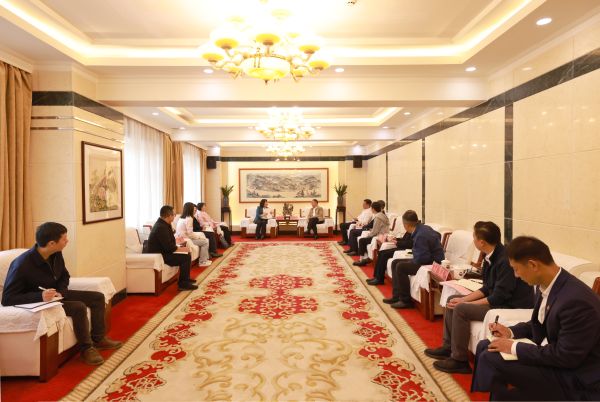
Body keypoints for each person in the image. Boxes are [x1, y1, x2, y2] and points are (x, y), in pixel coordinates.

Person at [471, 236, 600, 401]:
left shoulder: (576, 301)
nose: (516, 275)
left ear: (533, 265)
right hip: (562, 362)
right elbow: (537, 324)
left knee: (492, 358)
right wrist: (510, 332)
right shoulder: (549, 284)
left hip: (577, 378)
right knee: (485, 346)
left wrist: (514, 347)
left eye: (516, 269)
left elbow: (566, 357)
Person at [1, 222, 122, 365]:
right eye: (64, 238)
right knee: (78, 307)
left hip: (57, 295)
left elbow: (64, 276)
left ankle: (99, 339)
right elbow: (7, 298)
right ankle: (86, 349)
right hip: (40, 302)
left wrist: (61, 291)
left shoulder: (56, 253)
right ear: (52, 243)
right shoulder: (22, 264)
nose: (67, 241)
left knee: (97, 297)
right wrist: (40, 296)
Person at [424, 221, 534, 374]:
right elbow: (487, 287)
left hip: (509, 305)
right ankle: (448, 347)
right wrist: (462, 299)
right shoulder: (490, 256)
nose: (473, 240)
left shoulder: (504, 261)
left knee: (461, 309)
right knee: (453, 300)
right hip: (498, 299)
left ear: (481, 242)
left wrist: (467, 304)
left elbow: (498, 297)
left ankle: (459, 360)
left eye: (474, 237)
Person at [384, 210, 445, 309]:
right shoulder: (423, 228)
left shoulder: (420, 235)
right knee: (395, 262)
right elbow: (438, 235)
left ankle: (405, 301)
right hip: (428, 259)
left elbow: (423, 259)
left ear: (406, 225)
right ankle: (397, 296)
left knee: (401, 267)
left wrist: (411, 261)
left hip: (432, 263)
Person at [147, 205, 199, 291]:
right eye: (174, 215)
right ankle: (183, 284)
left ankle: (185, 279)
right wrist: (181, 249)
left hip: (164, 252)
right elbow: (169, 247)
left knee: (187, 254)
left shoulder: (164, 224)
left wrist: (180, 247)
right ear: (169, 216)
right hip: (159, 256)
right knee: (185, 257)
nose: (175, 217)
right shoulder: (161, 227)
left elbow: (170, 242)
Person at [353, 201, 389, 266]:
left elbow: (375, 231)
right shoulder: (382, 215)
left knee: (362, 240)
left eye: (371, 208)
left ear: (373, 209)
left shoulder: (378, 217)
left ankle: (362, 260)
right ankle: (365, 258)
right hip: (383, 235)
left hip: (380, 237)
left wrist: (368, 235)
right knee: (364, 239)